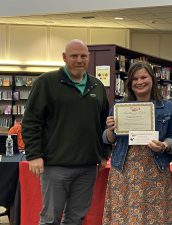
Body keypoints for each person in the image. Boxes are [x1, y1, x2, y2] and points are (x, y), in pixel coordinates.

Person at [22, 39, 111, 225]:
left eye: (83, 56)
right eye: (74, 56)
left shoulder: (97, 86)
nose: (79, 60)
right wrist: (33, 155)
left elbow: (104, 124)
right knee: (50, 219)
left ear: (89, 57)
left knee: (76, 218)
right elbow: (31, 122)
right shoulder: (46, 83)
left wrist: (104, 153)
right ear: (64, 57)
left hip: (88, 166)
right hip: (55, 166)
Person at [102, 61, 172, 224]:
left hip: (154, 169)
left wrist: (164, 145)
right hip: (123, 169)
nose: (139, 82)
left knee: (155, 216)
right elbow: (107, 138)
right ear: (129, 83)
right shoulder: (119, 106)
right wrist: (110, 131)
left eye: (144, 77)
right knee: (123, 216)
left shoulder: (168, 108)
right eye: (135, 79)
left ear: (152, 79)